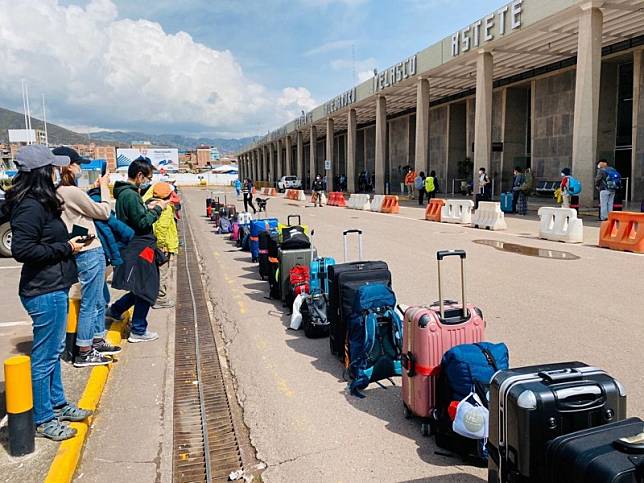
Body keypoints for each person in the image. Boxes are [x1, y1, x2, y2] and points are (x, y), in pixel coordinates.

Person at [7, 144, 92, 440]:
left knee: (54, 352)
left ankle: (58, 404)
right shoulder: (31, 204)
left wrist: (68, 240)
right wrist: (65, 247)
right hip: (44, 289)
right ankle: (44, 419)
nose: (57, 171)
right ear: (42, 172)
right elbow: (23, 249)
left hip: (53, 285)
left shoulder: (39, 201)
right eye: (52, 168)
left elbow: (42, 238)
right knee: (44, 358)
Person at [54, 146, 116, 367]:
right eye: (78, 163)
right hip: (89, 252)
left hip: (85, 250)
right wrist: (106, 188)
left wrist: (94, 186)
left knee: (98, 299)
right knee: (91, 302)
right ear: (68, 166)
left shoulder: (61, 191)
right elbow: (104, 212)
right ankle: (84, 350)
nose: (81, 167)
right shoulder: (70, 192)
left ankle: (96, 340)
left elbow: (80, 205)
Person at [108, 158, 169, 343]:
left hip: (138, 246)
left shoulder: (126, 194)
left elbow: (136, 217)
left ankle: (117, 309)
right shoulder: (131, 196)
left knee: (140, 287)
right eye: (147, 178)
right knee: (147, 288)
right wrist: (157, 209)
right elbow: (142, 223)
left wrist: (147, 209)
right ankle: (139, 329)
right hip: (141, 247)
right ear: (140, 176)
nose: (148, 182)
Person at [142, 182, 179, 309]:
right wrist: (162, 245)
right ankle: (160, 298)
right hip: (163, 246)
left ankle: (154, 295)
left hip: (151, 243)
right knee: (162, 272)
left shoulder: (149, 204)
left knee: (154, 272)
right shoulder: (165, 208)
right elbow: (162, 228)